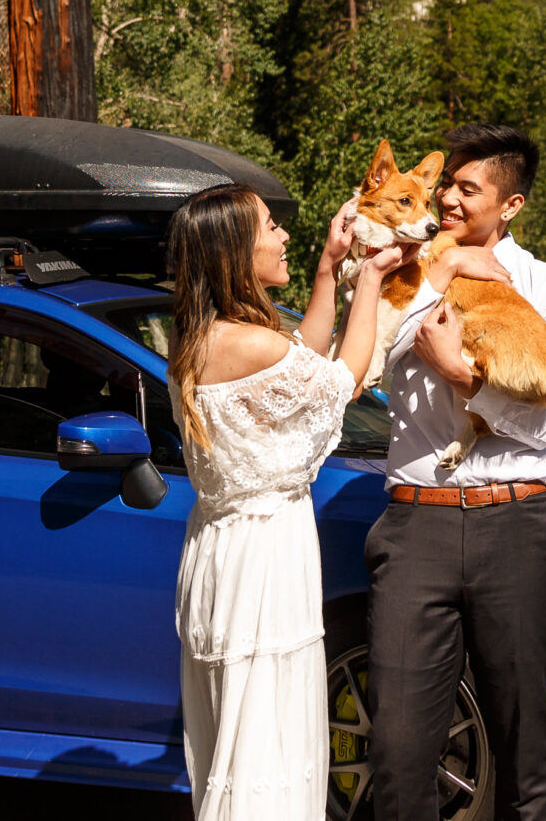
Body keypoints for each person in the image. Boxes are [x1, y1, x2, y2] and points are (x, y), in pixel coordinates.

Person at [365, 123, 546, 821]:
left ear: (511, 205)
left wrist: (458, 373)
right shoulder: (400, 269)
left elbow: (539, 420)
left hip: (515, 524)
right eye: (446, 184)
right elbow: (365, 360)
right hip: (416, 524)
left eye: (468, 186)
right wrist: (441, 272)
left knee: (523, 753)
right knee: (398, 755)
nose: (449, 198)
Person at [167, 182, 402, 821]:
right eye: (271, 227)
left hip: (226, 546)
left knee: (242, 733)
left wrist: (328, 268)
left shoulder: (207, 336)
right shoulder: (245, 345)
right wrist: (372, 275)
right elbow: (342, 378)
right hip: (262, 556)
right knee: (263, 738)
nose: (283, 237)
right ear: (235, 252)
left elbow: (305, 354)